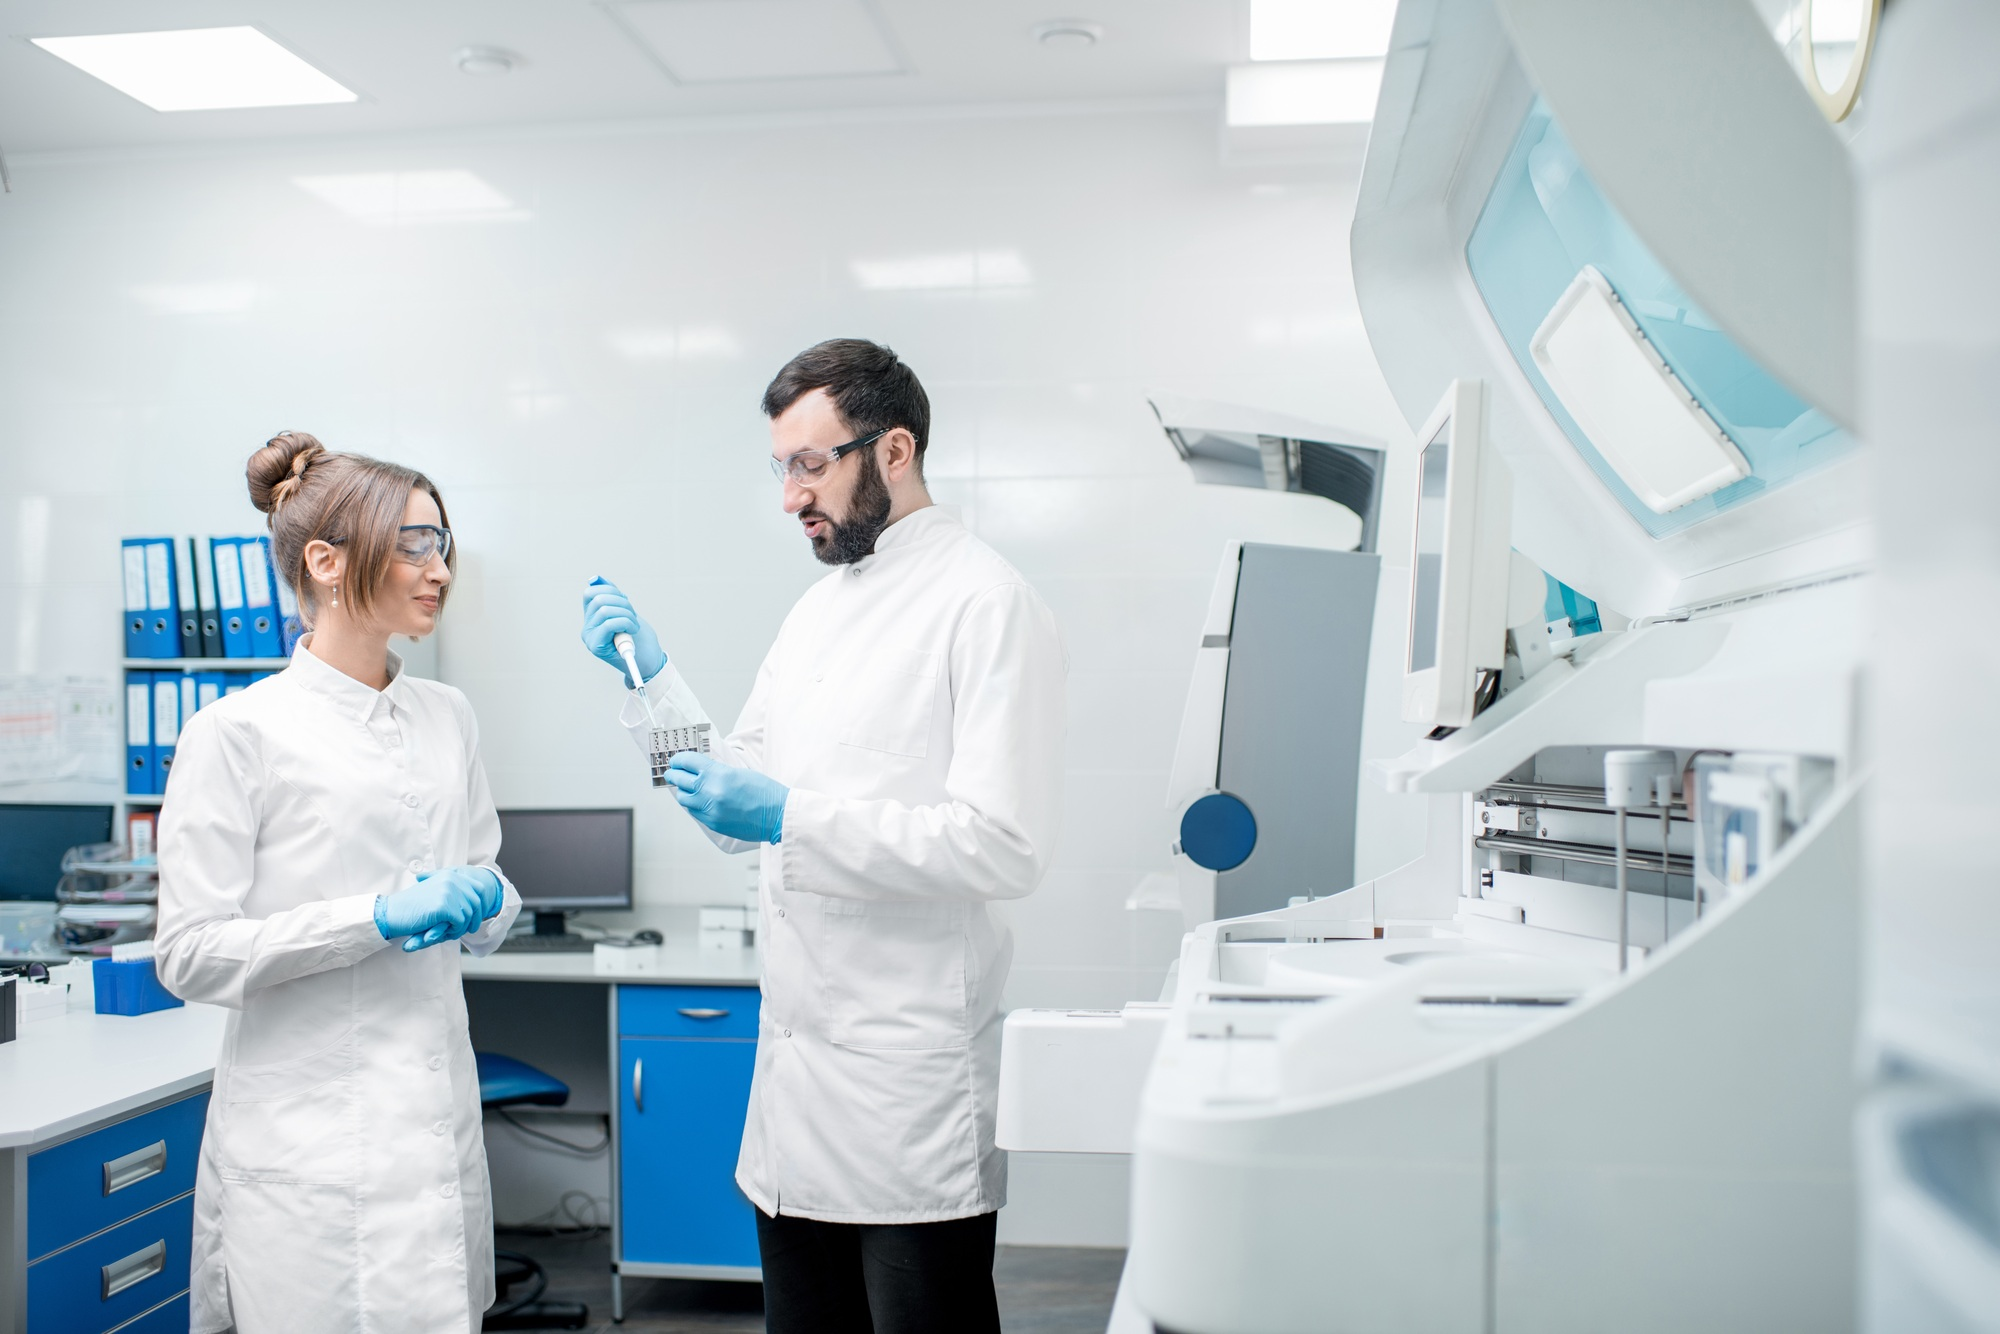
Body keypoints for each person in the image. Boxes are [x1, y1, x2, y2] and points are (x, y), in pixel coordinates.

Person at [581, 339, 1067, 1333]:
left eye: (811, 464)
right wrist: (648, 680)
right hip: (794, 1104)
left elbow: (1000, 844)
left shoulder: (986, 602)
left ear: (891, 451)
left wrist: (790, 818)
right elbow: (733, 803)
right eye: (781, 468)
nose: (790, 494)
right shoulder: (814, 611)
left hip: (907, 1096)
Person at [156, 432, 521, 1334]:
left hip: (434, 1142)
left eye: (444, 543)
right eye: (414, 543)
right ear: (325, 562)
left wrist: (488, 904)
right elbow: (189, 953)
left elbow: (484, 875)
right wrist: (377, 918)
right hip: (309, 1155)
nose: (440, 569)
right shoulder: (235, 733)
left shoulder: (448, 715)